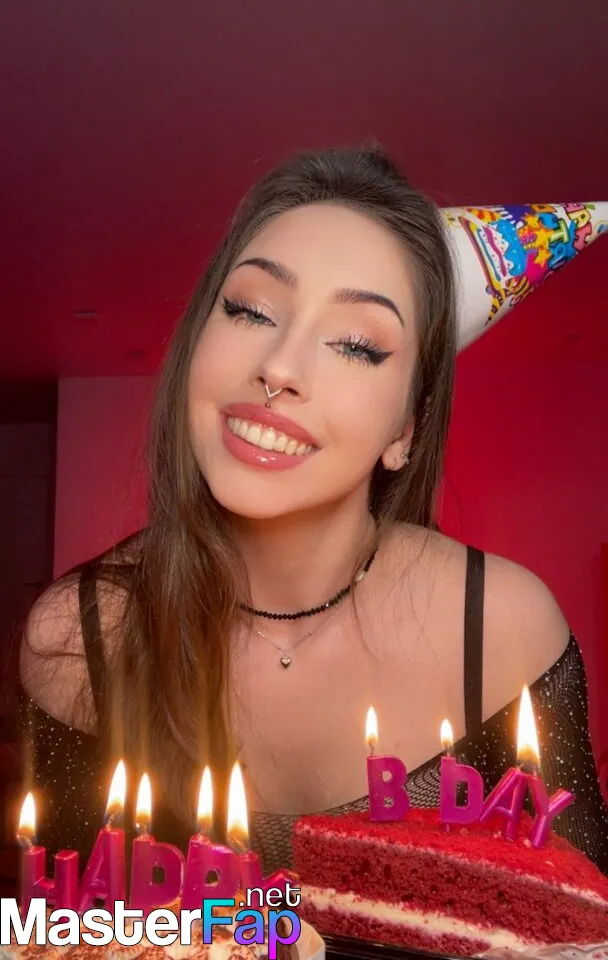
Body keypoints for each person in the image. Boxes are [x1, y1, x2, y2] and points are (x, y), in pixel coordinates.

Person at [17, 145, 608, 877]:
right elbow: (69, 926)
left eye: (357, 345)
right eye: (250, 309)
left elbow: (582, 914)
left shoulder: (503, 628)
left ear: (406, 428)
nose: (280, 367)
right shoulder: (78, 638)